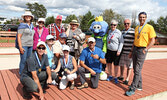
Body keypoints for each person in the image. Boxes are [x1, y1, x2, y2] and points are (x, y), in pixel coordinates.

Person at [125, 12, 156, 96]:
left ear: (146, 18)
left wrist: (146, 49)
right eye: (140, 17)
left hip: (142, 50)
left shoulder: (149, 27)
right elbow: (135, 40)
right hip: (135, 48)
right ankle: (139, 85)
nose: (142, 18)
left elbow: (153, 40)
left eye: (144, 17)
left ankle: (133, 87)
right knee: (136, 69)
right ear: (138, 18)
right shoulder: (137, 28)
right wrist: (131, 51)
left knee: (137, 69)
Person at [118, 19, 135, 85]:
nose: (126, 25)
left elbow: (135, 41)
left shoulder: (133, 31)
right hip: (123, 51)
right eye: (125, 23)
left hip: (130, 51)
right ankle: (121, 76)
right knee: (121, 64)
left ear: (130, 24)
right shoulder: (122, 32)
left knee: (129, 66)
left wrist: (132, 50)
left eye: (128, 23)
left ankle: (127, 79)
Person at [17, 10, 35, 74]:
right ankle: (21, 73)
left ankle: (26, 72)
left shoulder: (32, 26)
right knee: (23, 60)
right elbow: (19, 37)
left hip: (30, 45)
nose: (28, 17)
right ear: (24, 17)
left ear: (31, 17)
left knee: (28, 60)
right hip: (24, 45)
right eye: (26, 16)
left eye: (29, 16)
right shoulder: (22, 25)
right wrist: (20, 47)